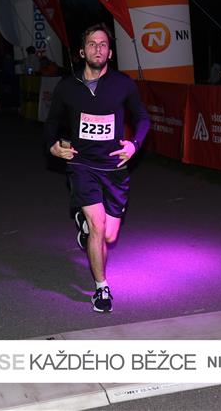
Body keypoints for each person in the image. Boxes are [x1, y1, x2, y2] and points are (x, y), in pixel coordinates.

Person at [43, 23, 150, 313]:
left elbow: (143, 118)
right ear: (82, 52)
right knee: (98, 227)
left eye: (103, 44)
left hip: (115, 166)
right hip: (82, 164)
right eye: (92, 44)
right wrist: (52, 145)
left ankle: (85, 228)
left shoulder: (123, 84)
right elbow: (51, 122)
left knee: (109, 236)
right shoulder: (67, 86)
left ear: (110, 53)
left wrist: (134, 145)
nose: (98, 49)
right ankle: (101, 288)